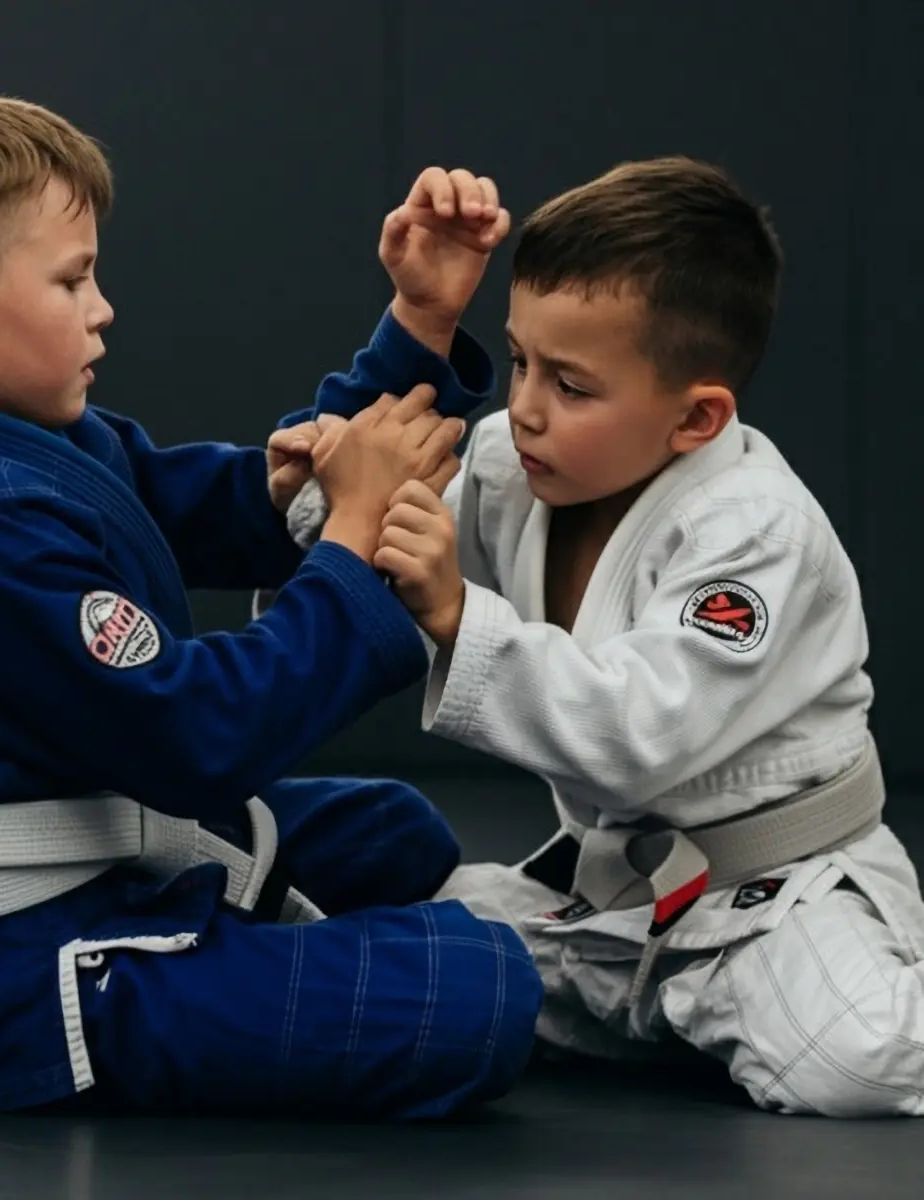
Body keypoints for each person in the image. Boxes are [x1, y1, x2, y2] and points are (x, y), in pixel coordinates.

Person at [0, 84, 543, 1118]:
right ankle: (239, 967)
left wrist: (418, 324)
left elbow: (228, 500)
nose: (103, 309)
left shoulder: (32, 446)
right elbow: (198, 735)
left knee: (393, 834)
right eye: (74, 279)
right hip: (10, 981)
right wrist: (355, 541)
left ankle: (263, 960)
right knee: (486, 992)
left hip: (91, 852)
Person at [288, 157, 924, 1117]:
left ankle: (773, 995)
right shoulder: (513, 462)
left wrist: (457, 610)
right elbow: (358, 535)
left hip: (776, 899)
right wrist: (336, 478)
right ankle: (680, 1013)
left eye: (573, 386)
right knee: (399, 963)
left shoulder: (753, 529)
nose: (529, 405)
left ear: (696, 417)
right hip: (609, 905)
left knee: (862, 1063)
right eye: (519, 362)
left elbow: (639, 735)